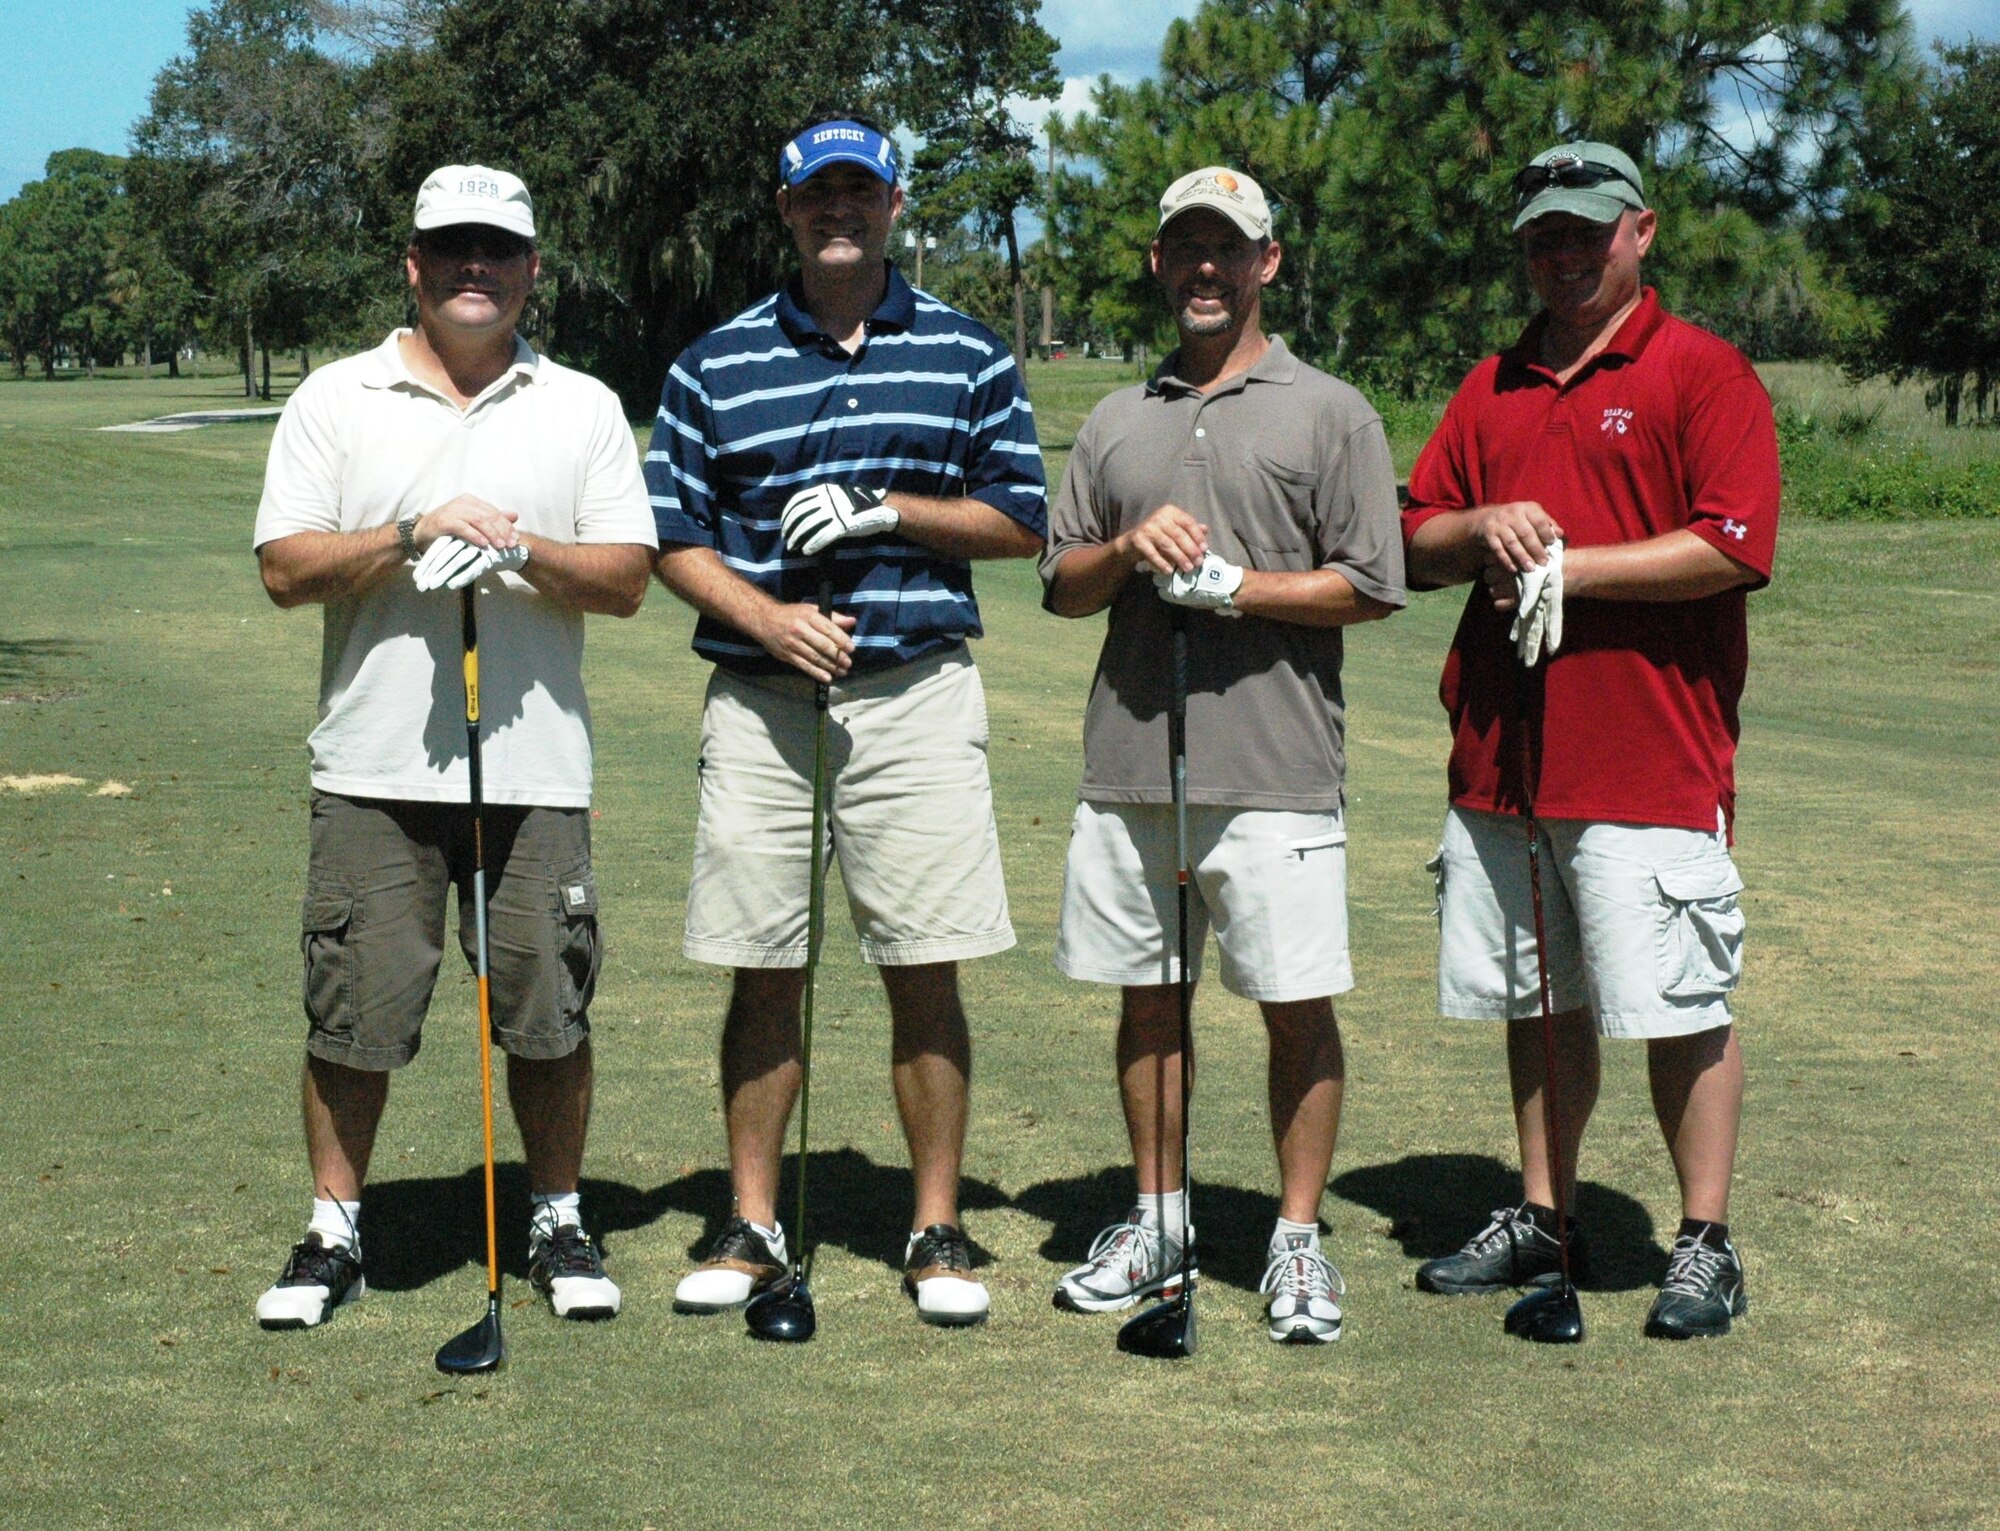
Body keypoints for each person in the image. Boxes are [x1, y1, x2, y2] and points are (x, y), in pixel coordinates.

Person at [646, 115, 1045, 1327]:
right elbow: (674, 537)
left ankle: (934, 1224)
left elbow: (1020, 518)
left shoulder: (967, 353)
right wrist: (767, 620)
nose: (838, 213)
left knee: (923, 963)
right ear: (782, 211)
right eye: (815, 195)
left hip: (913, 695)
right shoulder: (711, 363)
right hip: (765, 703)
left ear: (892, 203)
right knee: (763, 964)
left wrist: (885, 508)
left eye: (857, 193)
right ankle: (754, 1221)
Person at [251, 165, 658, 1330]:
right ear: (414, 265)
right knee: (353, 1015)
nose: (475, 266)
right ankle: (333, 1230)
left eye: (499, 248)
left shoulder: (579, 405)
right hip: (371, 768)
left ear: (532, 268)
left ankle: (559, 1214)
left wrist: (517, 548)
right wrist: (408, 532)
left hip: (535, 770)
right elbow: (284, 568)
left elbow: (626, 577)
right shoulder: (337, 397)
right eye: (453, 247)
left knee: (547, 1007)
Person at [1402, 142, 1779, 1339]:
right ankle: (1541, 1205)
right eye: (1541, 236)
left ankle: (1703, 1241)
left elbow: (1729, 543)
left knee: (1674, 1001)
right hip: (1504, 760)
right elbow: (1411, 539)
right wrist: (1481, 527)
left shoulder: (1699, 372)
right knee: (1539, 996)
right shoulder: (1492, 382)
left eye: (1583, 231)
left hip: (1647, 757)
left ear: (1640, 231)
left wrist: (1575, 566)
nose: (1560, 253)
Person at [1039, 168, 1407, 1344]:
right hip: (1133, 761)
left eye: (1227, 249)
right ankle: (1159, 1217)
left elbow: (1368, 583)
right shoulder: (1112, 418)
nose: (1204, 268)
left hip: (1276, 766)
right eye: (1184, 247)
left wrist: (1239, 589)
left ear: (1267, 263)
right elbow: (1059, 581)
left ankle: (1294, 1242)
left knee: (1293, 1006)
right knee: (1149, 1004)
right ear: (1158, 263)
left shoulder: (1331, 410)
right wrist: (1129, 550)